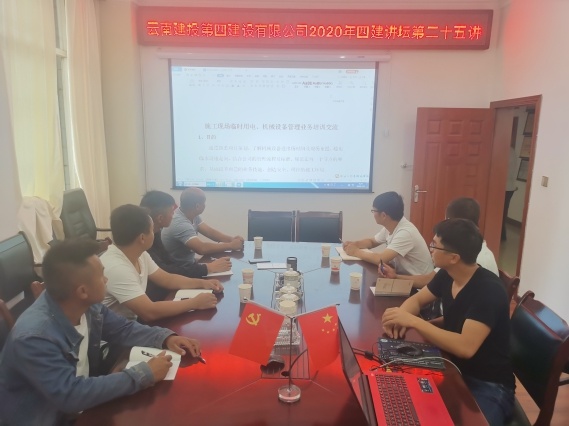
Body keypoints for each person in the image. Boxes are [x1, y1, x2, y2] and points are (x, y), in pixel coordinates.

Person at [0, 239, 202, 425]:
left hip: (82, 407)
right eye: (101, 275)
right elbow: (70, 395)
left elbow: (123, 329)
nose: (106, 280)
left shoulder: (86, 306)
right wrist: (144, 374)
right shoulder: (35, 337)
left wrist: (166, 337)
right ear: (82, 291)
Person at [382, 219, 514, 425]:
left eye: (435, 245)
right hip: (452, 367)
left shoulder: (488, 291)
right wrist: (401, 318)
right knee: (398, 394)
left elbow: (465, 347)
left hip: (487, 384)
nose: (430, 249)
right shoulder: (447, 274)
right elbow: (417, 300)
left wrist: (414, 322)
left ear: (454, 257)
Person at [101, 204, 223, 322]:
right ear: (142, 238)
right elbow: (149, 312)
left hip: (130, 324)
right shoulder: (117, 268)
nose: (155, 234)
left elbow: (167, 279)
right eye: (152, 230)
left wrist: (203, 283)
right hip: (114, 333)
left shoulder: (140, 254)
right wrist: (195, 303)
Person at [378, 197, 499, 288]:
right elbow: (432, 282)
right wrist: (395, 277)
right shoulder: (475, 248)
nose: (431, 249)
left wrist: (396, 277)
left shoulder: (467, 257)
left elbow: (429, 281)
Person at [140, 190, 232, 277]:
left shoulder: (155, 232)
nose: (173, 214)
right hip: (173, 276)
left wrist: (231, 241)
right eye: (171, 211)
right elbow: (165, 272)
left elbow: (169, 262)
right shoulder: (146, 240)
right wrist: (207, 268)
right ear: (160, 218)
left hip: (182, 269)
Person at [342, 191, 433, 275]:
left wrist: (355, 251)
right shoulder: (392, 225)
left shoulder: (405, 233)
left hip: (418, 282)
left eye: (374, 211)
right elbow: (372, 242)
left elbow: (380, 259)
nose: (373, 214)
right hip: (403, 275)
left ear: (383, 215)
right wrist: (355, 244)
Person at [161, 187, 244, 265]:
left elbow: (210, 232)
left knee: (221, 264)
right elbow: (201, 248)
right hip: (177, 268)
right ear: (197, 206)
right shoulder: (180, 223)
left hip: (188, 263)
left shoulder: (190, 214)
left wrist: (232, 240)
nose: (205, 205)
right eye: (204, 203)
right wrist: (231, 245)